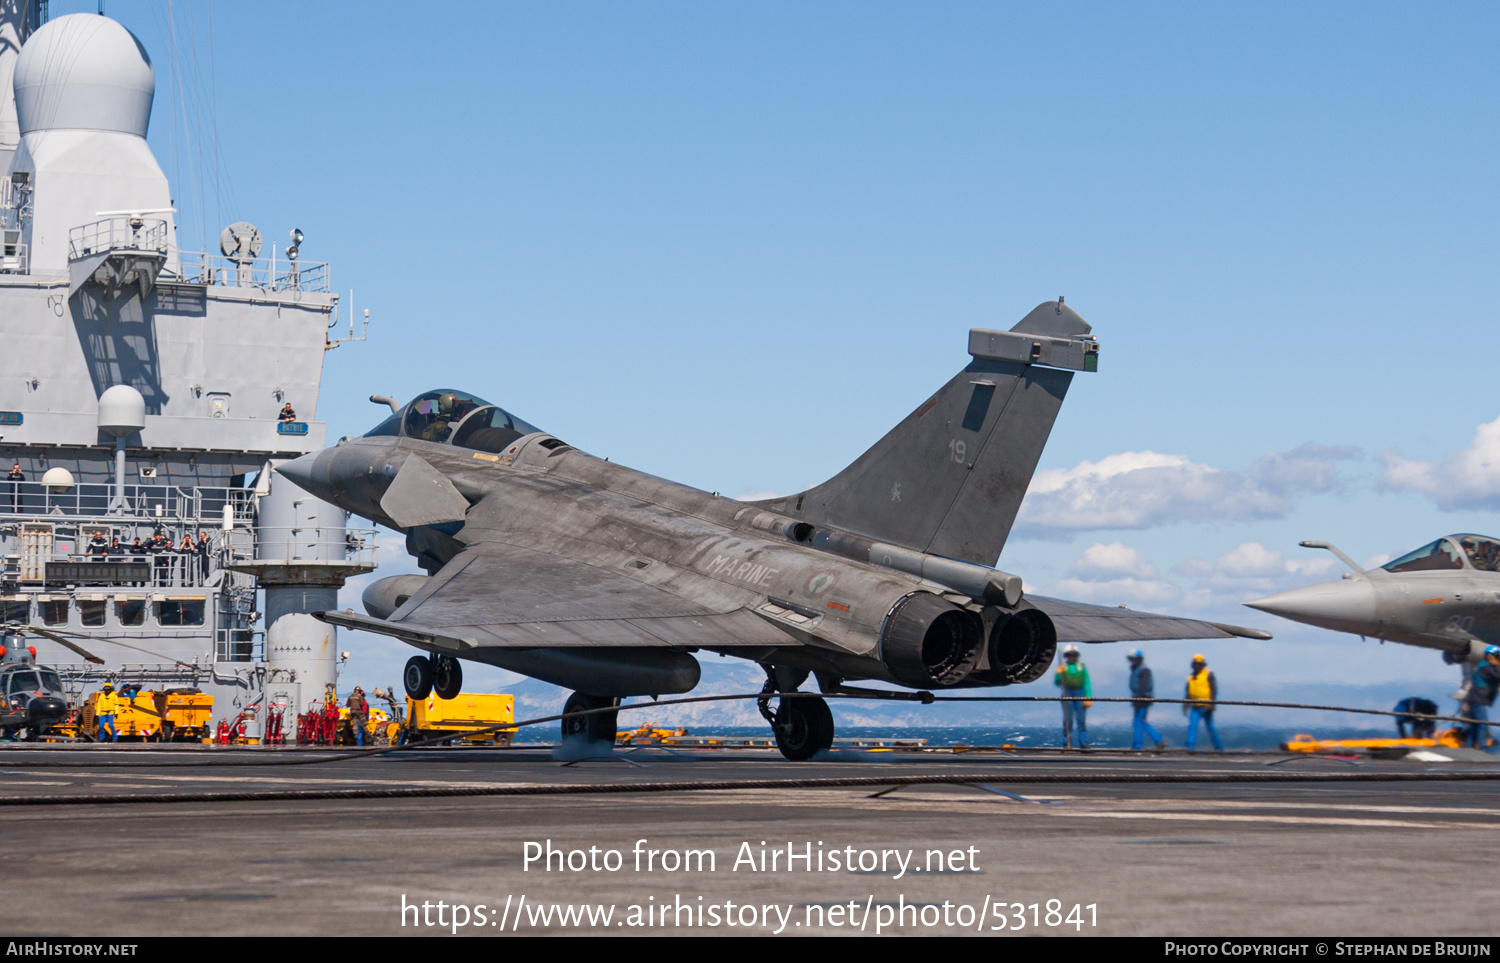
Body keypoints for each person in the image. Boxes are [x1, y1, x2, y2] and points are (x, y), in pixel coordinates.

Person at [1461, 647, 1500, 749]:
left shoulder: (1486, 665)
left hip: (1476, 699)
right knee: (1482, 723)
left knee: (1475, 724)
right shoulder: (1485, 666)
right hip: (1477, 699)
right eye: (1497, 655)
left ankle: (1471, 746)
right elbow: (1497, 675)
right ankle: (1480, 747)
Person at [1053, 644, 1091, 749]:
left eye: (1073, 655)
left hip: (1080, 693)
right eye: (1069, 655)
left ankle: (1084, 744)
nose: (1071, 657)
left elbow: (1086, 682)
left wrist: (1088, 696)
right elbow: (1057, 683)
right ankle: (1066, 743)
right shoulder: (1063, 667)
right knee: (1068, 720)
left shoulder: (1081, 667)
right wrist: (1058, 674)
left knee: (1081, 721)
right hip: (1067, 692)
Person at [1184, 654, 1223, 752]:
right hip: (1195, 706)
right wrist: (1185, 705)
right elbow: (1188, 692)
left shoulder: (1208, 674)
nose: (1196, 666)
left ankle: (1218, 747)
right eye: (1194, 664)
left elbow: (1213, 690)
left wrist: (1211, 703)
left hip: (1206, 706)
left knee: (1210, 727)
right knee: (1192, 726)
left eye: (1198, 664)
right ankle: (1190, 747)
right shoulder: (1190, 677)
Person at [1128, 649, 1165, 750]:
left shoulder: (1143, 670)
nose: (1132, 661)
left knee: (1138, 721)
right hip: (1139, 699)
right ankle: (1158, 740)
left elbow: (1143, 686)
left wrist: (1139, 699)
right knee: (1141, 721)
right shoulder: (1137, 669)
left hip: (1142, 699)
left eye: (1133, 659)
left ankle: (1137, 745)